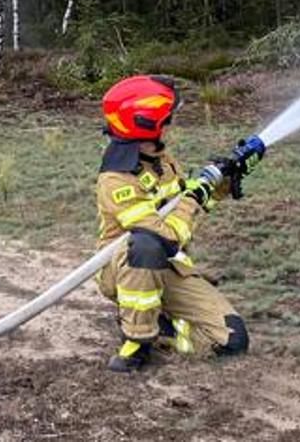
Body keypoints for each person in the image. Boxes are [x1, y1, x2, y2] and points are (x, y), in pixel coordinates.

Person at [93, 75, 253, 372]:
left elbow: (183, 202)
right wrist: (194, 198)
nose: (171, 125)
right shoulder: (116, 179)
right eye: (167, 119)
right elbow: (166, 236)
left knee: (233, 341)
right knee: (146, 244)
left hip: (169, 267)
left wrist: (223, 180)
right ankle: (137, 341)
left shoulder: (160, 158)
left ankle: (163, 328)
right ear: (144, 124)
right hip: (126, 267)